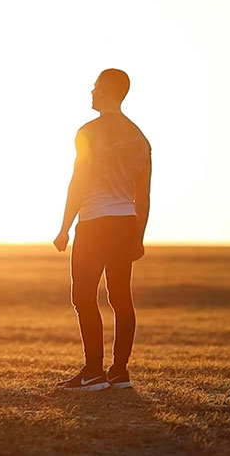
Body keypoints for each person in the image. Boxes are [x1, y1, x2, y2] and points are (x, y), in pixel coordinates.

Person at [53, 69, 152, 391]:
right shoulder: (139, 138)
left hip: (95, 222)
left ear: (108, 91)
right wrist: (138, 236)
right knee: (121, 298)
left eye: (96, 88)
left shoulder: (88, 132)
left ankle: (93, 372)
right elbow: (143, 195)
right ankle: (119, 372)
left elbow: (78, 181)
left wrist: (64, 227)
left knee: (82, 296)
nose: (92, 93)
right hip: (125, 222)